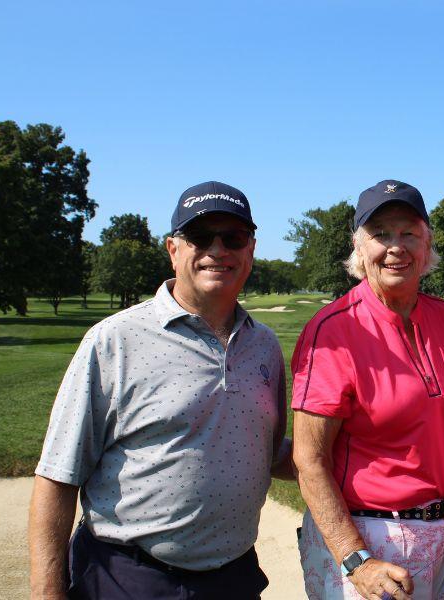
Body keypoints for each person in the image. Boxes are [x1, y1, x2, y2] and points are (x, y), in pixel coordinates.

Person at [29, 181, 295, 600]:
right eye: (200, 237)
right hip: (127, 577)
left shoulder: (263, 345)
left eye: (233, 237)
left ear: (250, 249)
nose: (217, 250)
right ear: (173, 249)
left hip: (234, 577)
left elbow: (269, 451)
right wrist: (48, 594)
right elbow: (58, 477)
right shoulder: (115, 339)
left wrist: (354, 454)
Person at [291, 180, 444, 600]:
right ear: (359, 248)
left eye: (409, 233)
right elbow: (309, 460)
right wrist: (355, 557)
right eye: (381, 234)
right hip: (368, 539)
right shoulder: (333, 331)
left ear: (427, 245)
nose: (396, 246)